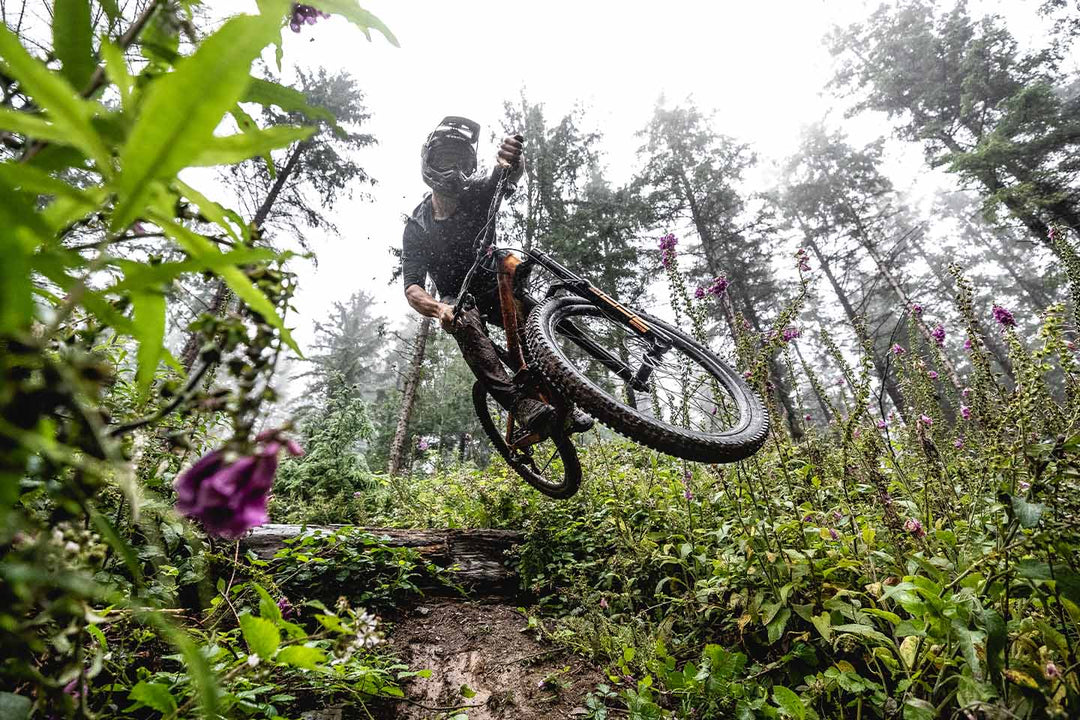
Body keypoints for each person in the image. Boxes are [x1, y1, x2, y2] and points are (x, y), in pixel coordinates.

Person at [400, 116, 592, 438]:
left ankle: (565, 404)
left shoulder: (476, 193)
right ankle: (519, 404)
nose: (453, 169)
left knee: (535, 325)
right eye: (445, 160)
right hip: (458, 297)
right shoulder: (417, 227)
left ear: (469, 166)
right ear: (429, 162)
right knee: (463, 320)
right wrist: (439, 309)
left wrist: (513, 159)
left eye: (460, 162)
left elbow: (505, 175)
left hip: (495, 282)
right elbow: (412, 288)